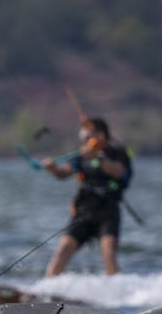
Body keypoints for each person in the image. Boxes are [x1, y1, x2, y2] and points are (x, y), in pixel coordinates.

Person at [41, 116, 132, 277]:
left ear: (102, 134)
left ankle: (116, 286)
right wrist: (52, 168)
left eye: (89, 135)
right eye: (84, 136)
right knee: (64, 248)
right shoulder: (81, 155)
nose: (85, 139)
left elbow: (119, 172)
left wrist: (97, 156)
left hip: (107, 210)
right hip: (84, 210)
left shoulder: (117, 152)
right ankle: (47, 285)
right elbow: (64, 173)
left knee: (108, 252)